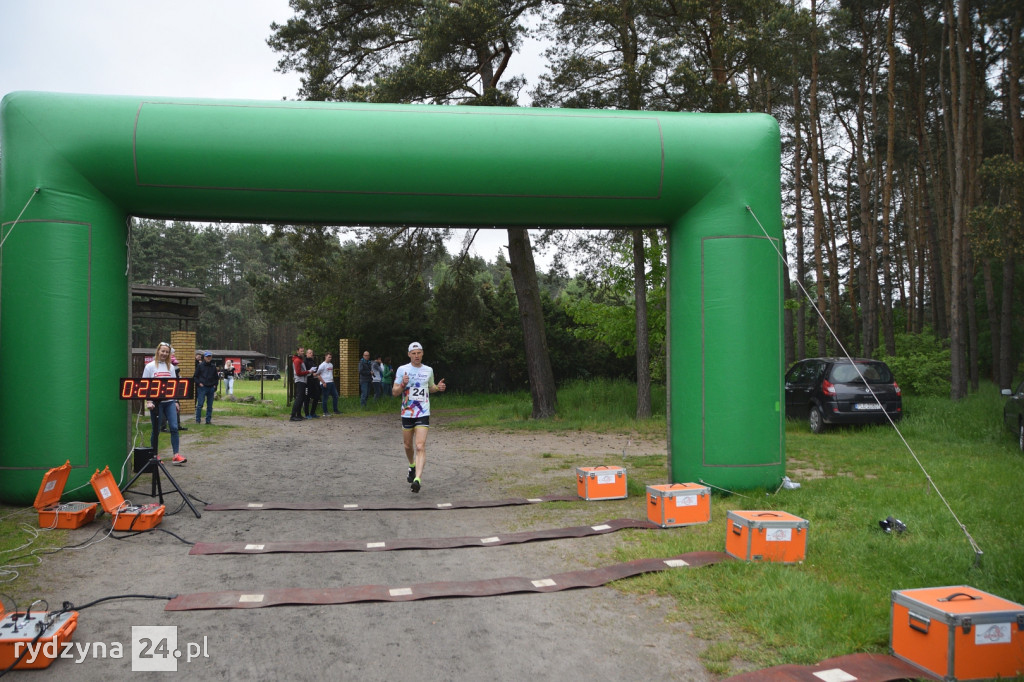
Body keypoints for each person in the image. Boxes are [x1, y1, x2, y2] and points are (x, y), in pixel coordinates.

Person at [393, 341, 446, 493]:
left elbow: (430, 387)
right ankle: (411, 465)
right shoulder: (402, 369)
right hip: (407, 413)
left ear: (422, 354)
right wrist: (403, 385)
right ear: (409, 354)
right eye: (413, 353)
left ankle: (417, 479)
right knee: (408, 446)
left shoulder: (428, 370)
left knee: (420, 446)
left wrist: (438, 388)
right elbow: (394, 392)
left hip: (423, 412)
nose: (416, 356)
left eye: (419, 353)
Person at [144, 342, 186, 464]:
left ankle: (176, 455)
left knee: (174, 427)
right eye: (162, 351)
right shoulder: (150, 366)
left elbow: (174, 385)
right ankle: (155, 455)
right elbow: (144, 385)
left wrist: (176, 401)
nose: (164, 353)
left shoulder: (171, 367)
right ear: (158, 351)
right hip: (156, 403)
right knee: (156, 429)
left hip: (169, 402)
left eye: (167, 352)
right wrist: (149, 401)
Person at [193, 351, 219, 424]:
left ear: (211, 357)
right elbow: (195, 377)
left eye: (210, 356)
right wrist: (199, 383)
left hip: (211, 387)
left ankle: (208, 420)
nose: (208, 358)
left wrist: (215, 386)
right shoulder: (200, 365)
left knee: (210, 406)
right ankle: (198, 420)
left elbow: (216, 378)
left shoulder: (213, 367)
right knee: (200, 404)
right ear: (204, 357)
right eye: (207, 356)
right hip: (202, 387)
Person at [289, 346, 310, 422]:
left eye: (303, 351)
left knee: (301, 398)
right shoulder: (297, 360)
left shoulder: (300, 360)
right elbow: (298, 373)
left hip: (303, 381)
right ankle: (293, 415)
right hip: (300, 381)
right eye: (301, 351)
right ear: (297, 351)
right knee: (299, 398)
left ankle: (299, 415)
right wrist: (308, 372)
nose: (302, 352)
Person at [304, 348, 321, 418]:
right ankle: (307, 414)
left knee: (317, 397)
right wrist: (311, 374)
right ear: (306, 354)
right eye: (310, 353)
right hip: (308, 382)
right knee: (307, 398)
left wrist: (317, 373)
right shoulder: (305, 362)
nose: (311, 354)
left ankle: (313, 412)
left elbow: (315, 370)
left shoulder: (313, 361)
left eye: (312, 353)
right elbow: (304, 372)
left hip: (314, 381)